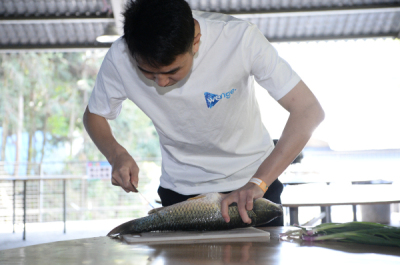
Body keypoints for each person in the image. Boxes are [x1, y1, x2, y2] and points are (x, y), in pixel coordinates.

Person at [83, 0, 324, 226]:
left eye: (172, 71)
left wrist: (259, 182)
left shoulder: (239, 39)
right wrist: (116, 155)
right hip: (181, 193)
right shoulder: (120, 56)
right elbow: (94, 114)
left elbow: (308, 110)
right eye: (148, 73)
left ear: (195, 42)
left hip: (253, 186)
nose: (161, 82)